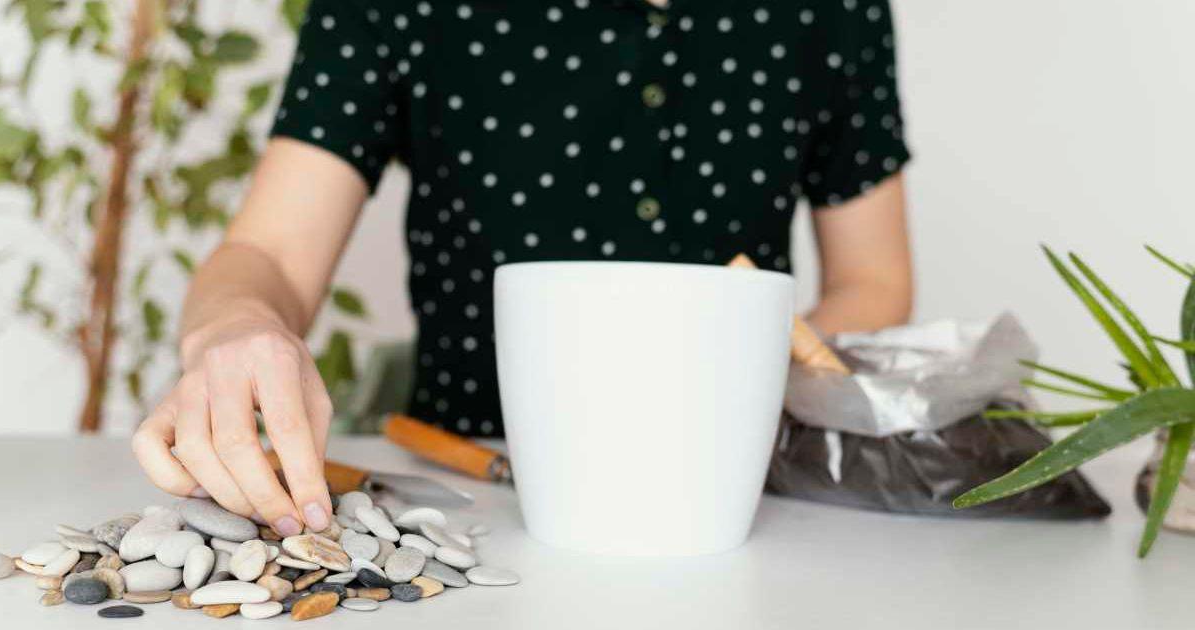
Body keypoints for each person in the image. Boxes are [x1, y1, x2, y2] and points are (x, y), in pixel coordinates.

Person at [132, 0, 913, 536]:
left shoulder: (837, 9)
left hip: (734, 496)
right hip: (466, 486)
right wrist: (235, 329)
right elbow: (268, 254)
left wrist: (715, 367)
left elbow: (874, 284)